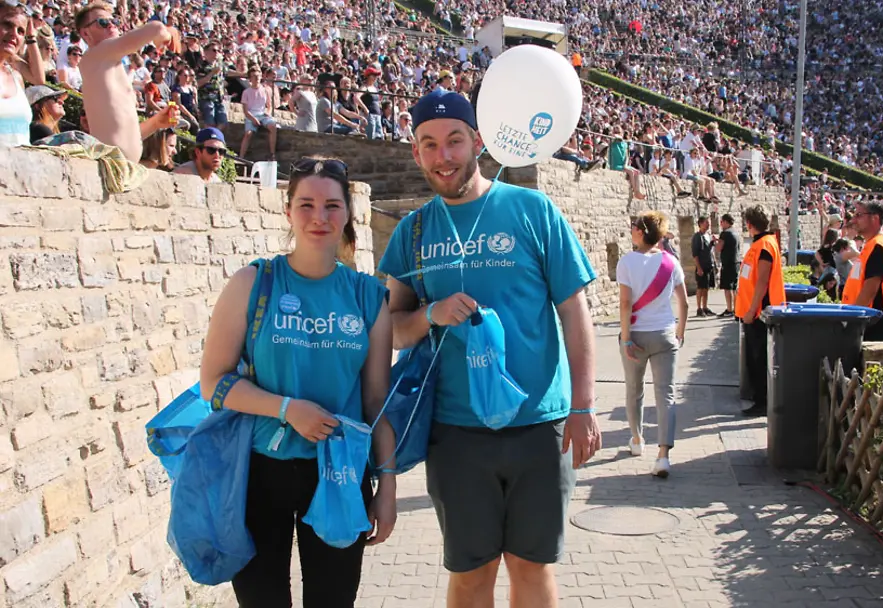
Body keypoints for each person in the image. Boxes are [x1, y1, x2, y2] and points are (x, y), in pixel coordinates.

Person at [377, 89, 601, 608]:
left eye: (455, 140)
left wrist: (584, 406)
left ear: (477, 140)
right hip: (456, 433)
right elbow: (389, 329)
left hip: (539, 427)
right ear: (415, 153)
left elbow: (575, 311)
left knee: (531, 568)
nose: (444, 156)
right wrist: (430, 314)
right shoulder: (412, 233)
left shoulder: (532, 210)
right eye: (429, 145)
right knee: (472, 574)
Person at [199, 156, 397, 607]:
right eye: (306, 204)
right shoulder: (254, 282)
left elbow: (376, 402)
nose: (319, 217)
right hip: (256, 473)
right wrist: (287, 409)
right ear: (288, 210)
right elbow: (214, 382)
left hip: (340, 472)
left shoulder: (369, 297)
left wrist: (387, 486)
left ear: (348, 213)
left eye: (331, 206)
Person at [617, 211, 689, 478]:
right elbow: (684, 303)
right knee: (665, 395)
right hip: (665, 334)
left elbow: (625, 304)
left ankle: (636, 440)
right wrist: (680, 332)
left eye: (633, 226)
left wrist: (625, 338)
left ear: (640, 232)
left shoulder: (626, 262)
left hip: (635, 334)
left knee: (634, 389)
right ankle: (663, 456)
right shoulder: (672, 263)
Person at [75, 1, 171, 162]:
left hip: (123, 165)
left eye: (115, 21)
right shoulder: (95, 56)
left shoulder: (111, 65)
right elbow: (157, 28)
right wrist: (165, 35)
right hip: (109, 164)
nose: (111, 25)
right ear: (86, 34)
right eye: (103, 22)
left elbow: (124, 137)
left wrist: (155, 123)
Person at [736, 205, 785, 417]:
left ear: (749, 224)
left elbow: (762, 281)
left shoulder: (764, 245)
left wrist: (752, 310)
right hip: (755, 311)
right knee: (755, 358)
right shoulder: (763, 243)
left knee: (758, 358)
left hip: (758, 313)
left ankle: (762, 401)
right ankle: (759, 399)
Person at [841, 200, 883, 342]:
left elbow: (870, 288)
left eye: (859, 215)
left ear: (875, 218)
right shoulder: (873, 244)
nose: (853, 220)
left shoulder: (879, 246)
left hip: (871, 321)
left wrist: (853, 320)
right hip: (868, 318)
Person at [0, 1, 43, 147]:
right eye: (7, 25)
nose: (14, 34)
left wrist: (31, 38)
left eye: (21, 31)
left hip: (21, 166)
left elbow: (39, 80)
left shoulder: (16, 77)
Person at [239, 67, 277, 159]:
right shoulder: (246, 92)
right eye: (254, 76)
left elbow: (269, 105)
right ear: (250, 78)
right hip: (251, 115)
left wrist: (267, 112)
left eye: (258, 76)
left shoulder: (265, 90)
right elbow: (245, 111)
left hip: (262, 114)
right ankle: (241, 156)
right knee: (248, 134)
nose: (256, 78)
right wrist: (253, 119)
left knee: (273, 126)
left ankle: (272, 154)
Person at [715, 213, 740, 317]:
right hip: (736, 262)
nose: (721, 224)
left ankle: (729, 309)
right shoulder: (735, 233)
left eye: (721, 222)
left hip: (728, 263)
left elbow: (719, 248)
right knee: (734, 288)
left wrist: (715, 242)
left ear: (725, 222)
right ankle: (736, 308)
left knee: (727, 288)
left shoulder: (725, 233)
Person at [691, 216, 716, 317]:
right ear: (700, 224)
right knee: (700, 288)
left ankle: (705, 307)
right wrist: (699, 268)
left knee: (706, 288)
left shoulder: (708, 236)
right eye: (706, 222)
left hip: (709, 265)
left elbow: (711, 251)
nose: (708, 224)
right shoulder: (697, 237)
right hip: (701, 265)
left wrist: (715, 263)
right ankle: (699, 308)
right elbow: (695, 254)